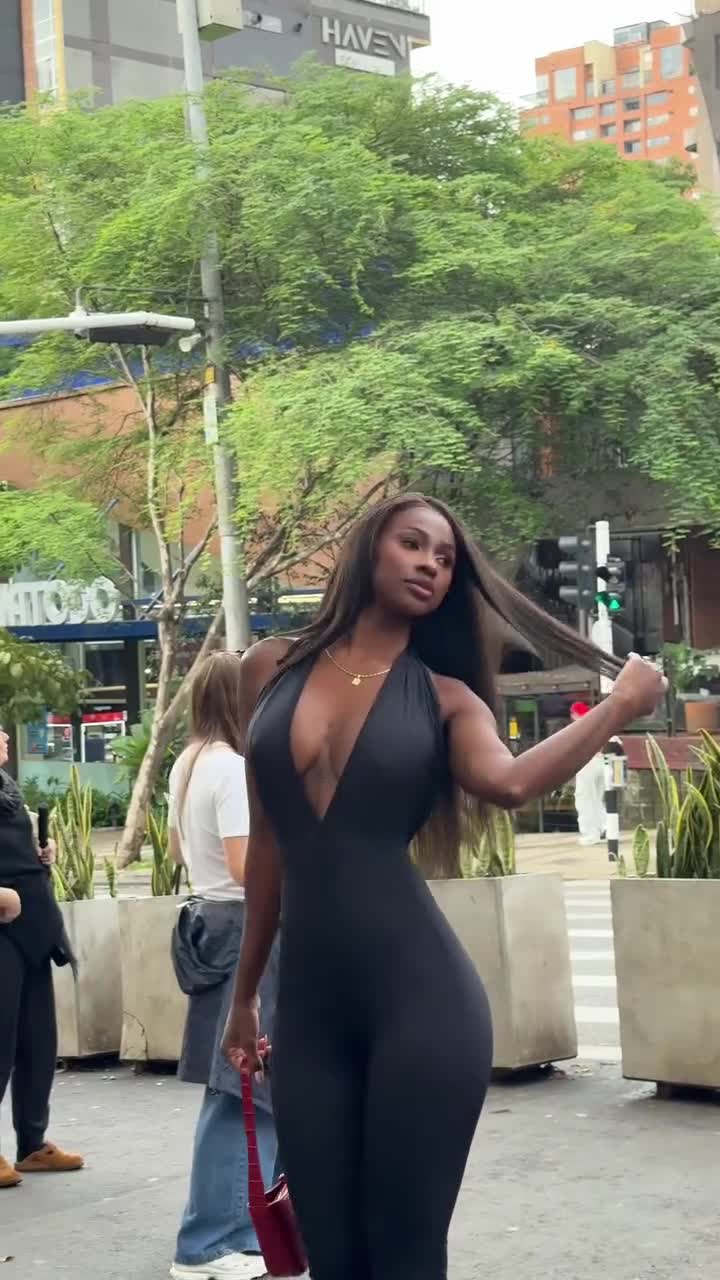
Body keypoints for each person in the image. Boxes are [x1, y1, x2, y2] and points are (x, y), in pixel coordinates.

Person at [222, 493, 665, 1280]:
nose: (430, 564)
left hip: (422, 1009)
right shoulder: (270, 666)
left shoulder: (444, 699)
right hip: (310, 1019)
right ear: (371, 547)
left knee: (405, 1251)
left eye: (446, 558)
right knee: (331, 1257)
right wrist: (246, 994)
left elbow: (511, 782)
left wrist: (621, 705)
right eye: (414, 544)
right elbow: (266, 847)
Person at [168, 653, 279, 1280]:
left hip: (207, 921)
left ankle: (239, 1232)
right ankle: (209, 1242)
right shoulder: (234, 768)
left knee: (237, 1087)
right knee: (244, 1090)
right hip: (242, 926)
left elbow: (180, 850)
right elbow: (245, 867)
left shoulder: (189, 762)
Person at [0, 725, 83, 1190]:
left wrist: (39, 854)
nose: (4, 735)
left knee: (37, 1041)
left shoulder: (5, 787)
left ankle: (32, 1144)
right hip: (3, 925)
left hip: (32, 926)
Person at [570, 701, 607, 845]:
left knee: (584, 798)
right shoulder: (598, 723)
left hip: (587, 763)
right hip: (602, 761)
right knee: (597, 799)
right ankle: (605, 828)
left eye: (572, 713)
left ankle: (590, 834)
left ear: (576, 713)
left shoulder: (580, 726)